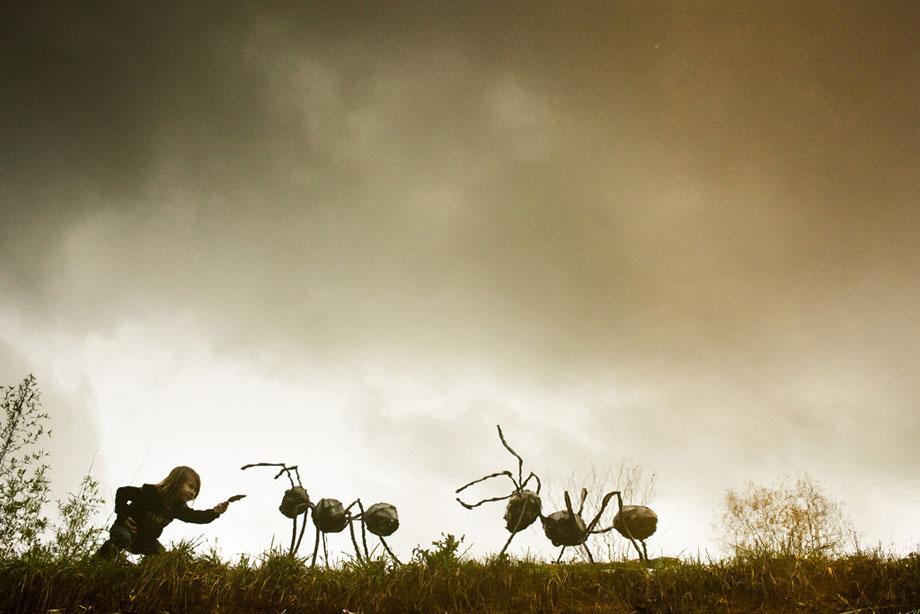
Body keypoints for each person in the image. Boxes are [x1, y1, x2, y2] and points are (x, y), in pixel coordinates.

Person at [96, 466, 229, 558]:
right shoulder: (150, 493)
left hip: (144, 541)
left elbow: (196, 517)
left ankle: (141, 576)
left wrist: (214, 512)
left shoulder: (178, 508)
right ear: (177, 482)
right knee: (125, 537)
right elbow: (122, 492)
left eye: (195, 491)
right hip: (123, 529)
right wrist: (123, 515)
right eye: (191, 487)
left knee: (162, 556)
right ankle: (99, 561)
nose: (192, 493)